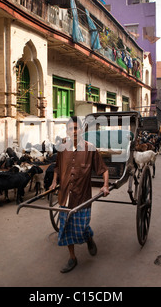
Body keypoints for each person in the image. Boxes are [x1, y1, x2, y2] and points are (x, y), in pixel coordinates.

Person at [49, 116, 110, 273]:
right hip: (65, 197)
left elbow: (103, 169)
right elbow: (57, 168)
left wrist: (105, 185)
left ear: (82, 130)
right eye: (70, 129)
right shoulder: (63, 149)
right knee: (67, 229)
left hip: (82, 197)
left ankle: (88, 236)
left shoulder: (90, 149)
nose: (73, 131)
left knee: (81, 228)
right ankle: (72, 258)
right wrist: (54, 181)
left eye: (76, 128)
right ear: (67, 131)